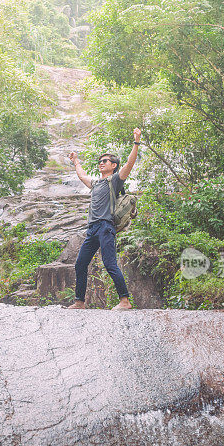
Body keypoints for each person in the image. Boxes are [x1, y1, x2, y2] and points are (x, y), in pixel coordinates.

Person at [68, 127, 141, 310]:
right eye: (100, 161)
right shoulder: (96, 184)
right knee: (80, 264)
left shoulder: (115, 180)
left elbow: (129, 165)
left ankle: (125, 301)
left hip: (105, 227)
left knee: (109, 264)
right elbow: (82, 175)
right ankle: (79, 302)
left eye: (105, 161)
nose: (101, 163)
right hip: (92, 229)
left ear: (113, 165)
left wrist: (136, 142)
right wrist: (76, 161)